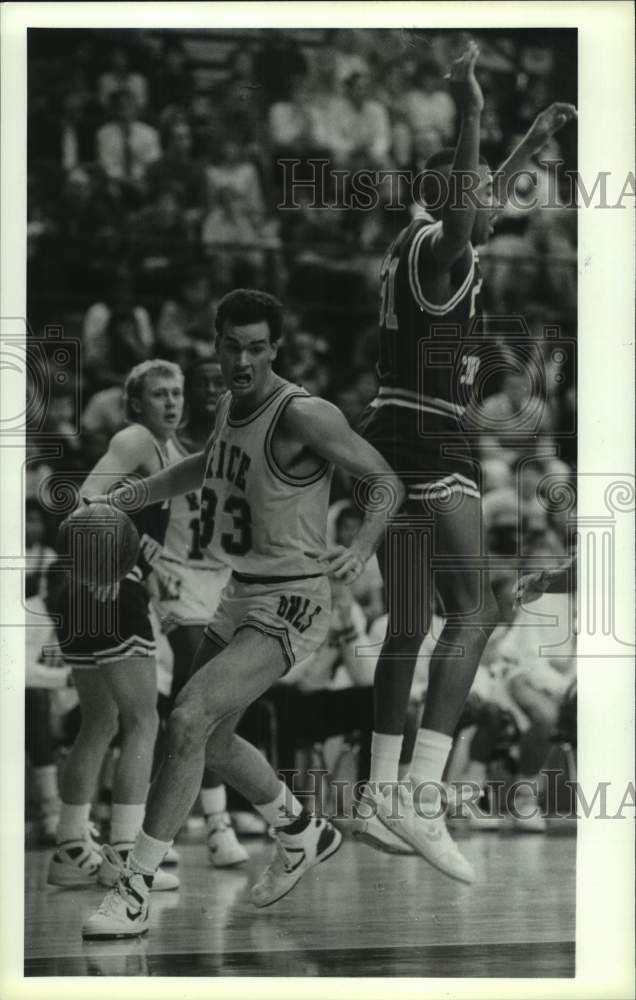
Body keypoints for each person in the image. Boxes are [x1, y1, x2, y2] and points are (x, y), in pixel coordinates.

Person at [82, 288, 404, 939]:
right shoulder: (231, 404)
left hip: (294, 598)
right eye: (232, 345)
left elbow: (385, 482)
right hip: (239, 591)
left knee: (190, 717)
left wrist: (362, 544)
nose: (243, 359)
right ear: (217, 344)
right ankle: (301, 829)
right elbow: (208, 465)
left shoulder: (304, 414)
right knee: (218, 741)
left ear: (275, 348)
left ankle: (134, 887)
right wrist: (132, 494)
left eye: (257, 347)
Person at [356, 41, 576, 879]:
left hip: (388, 432)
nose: (493, 205)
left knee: (411, 621)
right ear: (445, 198)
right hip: (428, 436)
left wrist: (531, 142)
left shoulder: (420, 245)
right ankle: (422, 796)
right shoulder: (437, 249)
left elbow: (471, 202)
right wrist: (476, 107)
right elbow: (464, 208)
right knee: (476, 613)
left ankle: (379, 791)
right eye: (480, 190)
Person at [47, 360, 186, 893]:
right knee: (143, 722)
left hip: (82, 591)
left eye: (177, 393)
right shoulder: (135, 440)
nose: (171, 403)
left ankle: (71, 847)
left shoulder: (166, 452)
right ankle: (124, 852)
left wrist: (154, 576)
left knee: (99, 723)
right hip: (104, 585)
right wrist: (99, 566)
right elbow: (83, 499)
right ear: (135, 404)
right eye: (159, 394)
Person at [156, 358, 248, 867]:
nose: (218, 392)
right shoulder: (163, 448)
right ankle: (215, 823)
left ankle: (177, 820)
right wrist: (149, 568)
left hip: (224, 582)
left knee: (211, 709)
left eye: (223, 384)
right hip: (173, 578)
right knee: (199, 692)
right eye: (207, 385)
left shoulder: (244, 441)